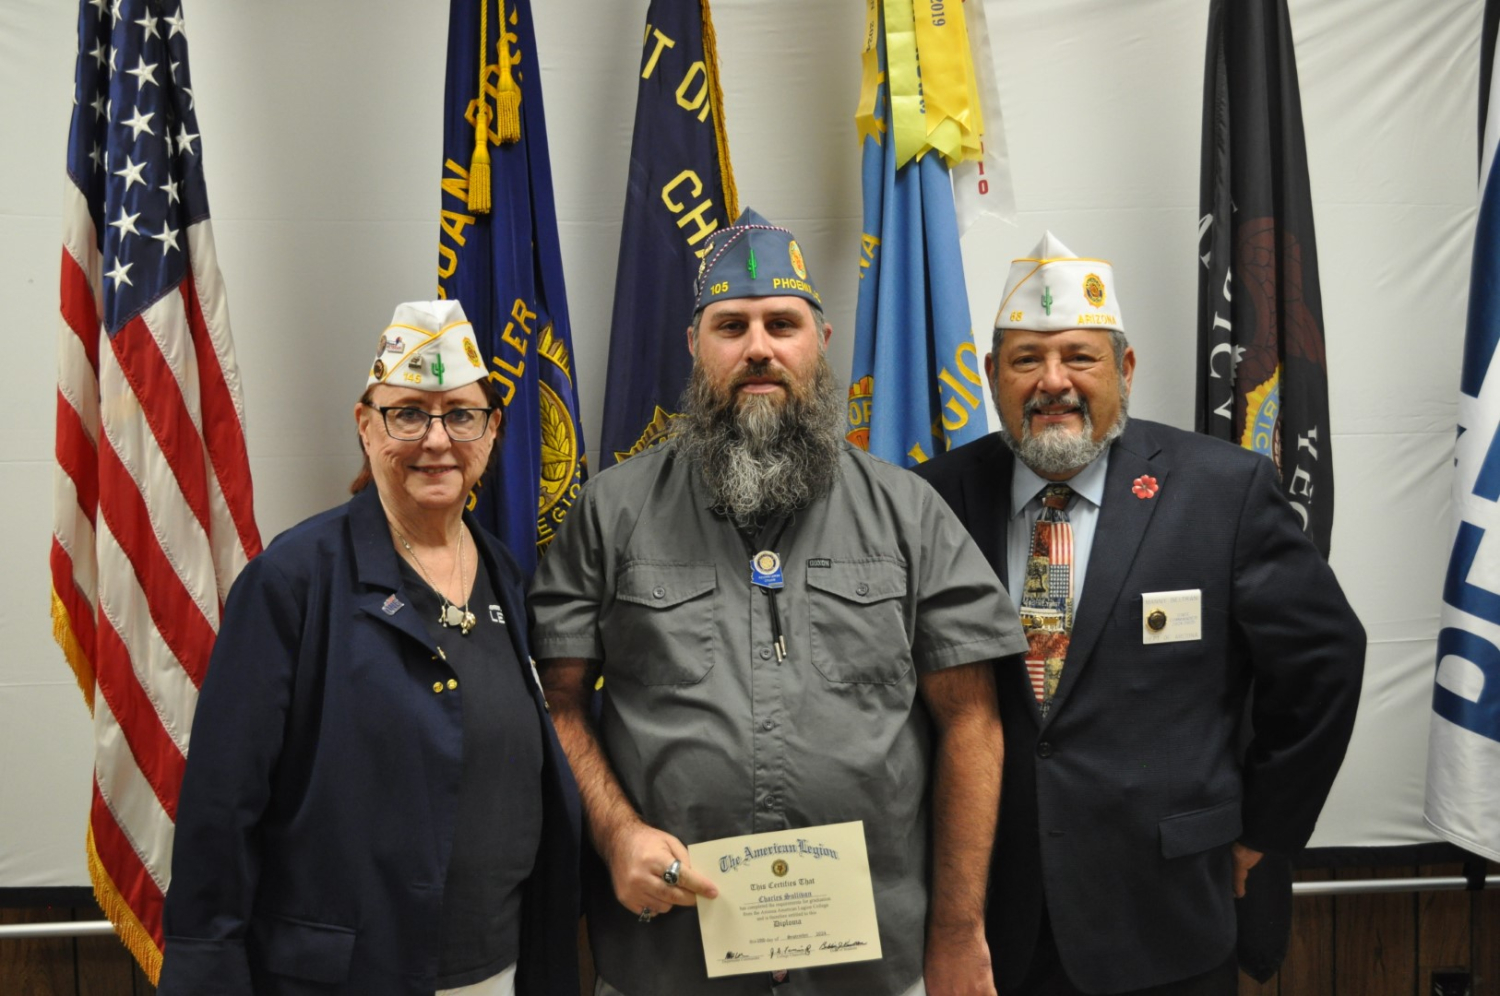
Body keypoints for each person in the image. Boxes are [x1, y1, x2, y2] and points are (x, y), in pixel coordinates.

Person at [528, 208, 1027, 996]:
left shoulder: (909, 513)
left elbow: (972, 720)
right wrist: (617, 833)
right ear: (694, 345)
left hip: (871, 965)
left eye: (782, 324)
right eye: (731, 326)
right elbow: (556, 704)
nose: (758, 347)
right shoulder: (610, 511)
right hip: (671, 961)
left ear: (820, 342)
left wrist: (960, 929)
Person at [914, 234, 1366, 996]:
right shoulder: (932, 498)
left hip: (1168, 915)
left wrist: (1265, 829)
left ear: (1124, 369)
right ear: (991, 376)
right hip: (993, 926)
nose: (1053, 381)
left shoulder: (1223, 493)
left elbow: (1326, 660)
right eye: (1026, 360)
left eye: (1079, 357)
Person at [157, 301, 581, 996]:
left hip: (502, 968)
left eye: (462, 415)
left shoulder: (504, 572)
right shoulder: (292, 582)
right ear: (365, 425)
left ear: (493, 429)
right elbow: (220, 809)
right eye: (407, 414)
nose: (437, 440)